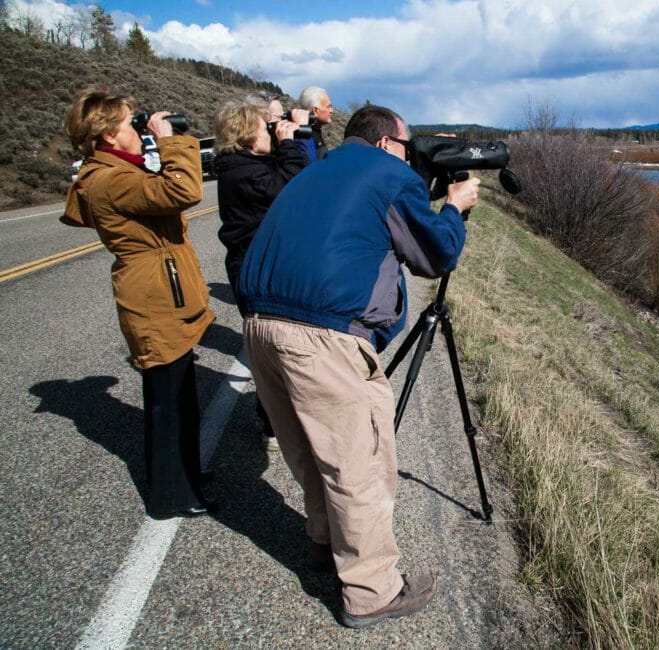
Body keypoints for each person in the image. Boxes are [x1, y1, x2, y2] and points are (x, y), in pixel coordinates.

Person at [236, 105, 479, 628]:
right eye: (408, 149)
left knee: (310, 450)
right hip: (320, 336)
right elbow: (434, 256)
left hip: (259, 325)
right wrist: (455, 208)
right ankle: (372, 591)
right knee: (358, 463)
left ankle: (326, 544)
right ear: (390, 144)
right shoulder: (390, 173)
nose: (411, 160)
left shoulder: (318, 167)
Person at [62, 85, 215, 519]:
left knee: (180, 393)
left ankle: (184, 475)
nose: (138, 128)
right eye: (131, 123)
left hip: (159, 288)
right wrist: (169, 140)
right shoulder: (111, 179)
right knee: (168, 401)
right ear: (109, 135)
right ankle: (171, 495)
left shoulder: (113, 171)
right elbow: (184, 190)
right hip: (153, 295)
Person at [213, 97, 310, 451]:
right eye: (263, 128)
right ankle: (273, 421)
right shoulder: (244, 172)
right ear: (249, 137)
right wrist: (290, 142)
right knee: (273, 350)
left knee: (272, 350)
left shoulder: (243, 165)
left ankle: (274, 418)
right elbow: (294, 185)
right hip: (256, 271)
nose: (270, 132)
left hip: (258, 265)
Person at [297, 85, 335, 160]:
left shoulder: (306, 132)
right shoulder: (306, 137)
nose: (331, 111)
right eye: (328, 107)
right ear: (315, 110)